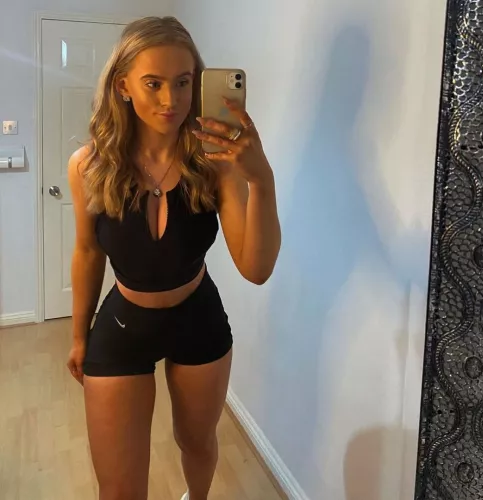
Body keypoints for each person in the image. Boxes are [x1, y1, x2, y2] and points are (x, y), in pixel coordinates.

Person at [66, 16, 281, 500]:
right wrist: (78, 335)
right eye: (153, 83)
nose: (171, 100)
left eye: (183, 82)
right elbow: (87, 251)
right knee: (119, 488)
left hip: (197, 317)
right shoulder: (90, 166)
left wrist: (260, 179)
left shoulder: (214, 162)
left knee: (197, 444)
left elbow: (256, 268)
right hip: (123, 323)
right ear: (123, 86)